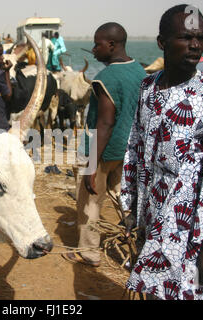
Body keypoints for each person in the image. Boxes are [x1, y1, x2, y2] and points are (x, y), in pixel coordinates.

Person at [120, 4, 203, 300]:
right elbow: (135, 147)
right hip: (149, 219)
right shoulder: (148, 88)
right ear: (162, 43)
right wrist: (129, 203)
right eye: (186, 37)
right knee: (150, 290)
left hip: (188, 230)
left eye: (201, 37)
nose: (196, 45)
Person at [61, 22, 146, 267]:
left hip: (104, 150)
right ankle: (140, 246)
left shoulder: (105, 78)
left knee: (90, 201)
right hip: (128, 149)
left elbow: (105, 123)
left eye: (97, 44)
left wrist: (91, 165)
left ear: (111, 44)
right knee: (124, 198)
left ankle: (88, 251)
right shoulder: (139, 71)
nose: (93, 49)